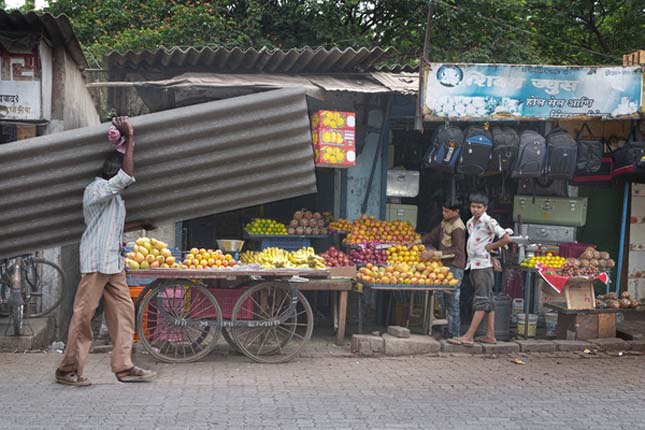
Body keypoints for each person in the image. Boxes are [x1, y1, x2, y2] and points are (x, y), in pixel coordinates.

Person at [55, 116, 156, 386]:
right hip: (96, 263)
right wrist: (131, 138)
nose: (126, 178)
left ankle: (123, 366)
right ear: (114, 173)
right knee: (83, 317)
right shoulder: (96, 189)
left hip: (113, 263)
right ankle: (68, 370)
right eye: (122, 173)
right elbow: (127, 176)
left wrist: (140, 224)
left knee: (124, 314)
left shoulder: (114, 197)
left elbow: (113, 223)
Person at [448, 193, 512, 346]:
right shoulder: (470, 222)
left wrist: (491, 247)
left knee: (481, 301)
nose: (475, 210)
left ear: (485, 208)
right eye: (473, 206)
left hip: (483, 266)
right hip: (475, 264)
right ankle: (490, 335)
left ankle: (469, 336)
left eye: (479, 207)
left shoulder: (489, 221)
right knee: (488, 301)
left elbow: (506, 238)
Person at [416, 199, 466, 339]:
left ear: (456, 211)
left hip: (455, 266)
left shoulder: (458, 227)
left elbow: (457, 250)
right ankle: (445, 331)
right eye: (443, 210)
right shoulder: (445, 222)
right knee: (441, 299)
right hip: (445, 265)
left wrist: (434, 254)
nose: (443, 213)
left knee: (452, 301)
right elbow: (433, 235)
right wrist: (417, 241)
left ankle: (454, 335)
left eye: (447, 211)